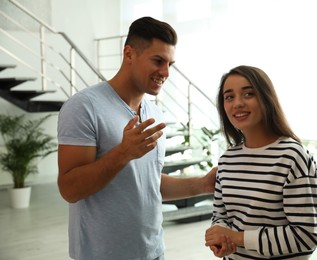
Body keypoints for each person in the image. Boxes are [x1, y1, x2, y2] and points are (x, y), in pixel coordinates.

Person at [57, 16, 219, 260]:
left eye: (170, 64)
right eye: (158, 61)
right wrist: (123, 153)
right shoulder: (83, 106)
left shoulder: (152, 112)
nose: (165, 72)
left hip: (153, 252)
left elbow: (147, 183)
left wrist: (204, 185)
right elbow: (69, 189)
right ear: (129, 54)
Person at [204, 65, 317, 259]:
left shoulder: (292, 156)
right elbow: (221, 216)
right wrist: (222, 239)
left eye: (248, 94)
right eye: (229, 97)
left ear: (266, 98)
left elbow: (306, 236)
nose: (237, 103)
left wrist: (238, 238)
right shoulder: (227, 159)